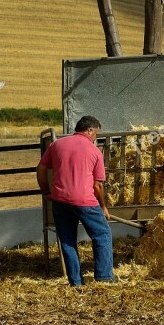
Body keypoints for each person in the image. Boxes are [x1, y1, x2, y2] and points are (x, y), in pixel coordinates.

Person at [36, 115, 116, 286]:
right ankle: (104, 277)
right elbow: (97, 186)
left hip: (60, 200)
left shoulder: (56, 144)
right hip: (85, 201)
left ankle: (76, 281)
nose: (95, 138)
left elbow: (41, 169)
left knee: (67, 239)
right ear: (90, 130)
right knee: (102, 234)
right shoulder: (94, 151)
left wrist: (45, 191)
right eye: (96, 134)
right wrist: (103, 206)